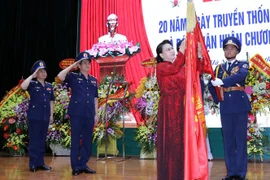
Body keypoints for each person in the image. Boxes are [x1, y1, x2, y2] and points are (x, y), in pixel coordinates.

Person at [208, 36, 251, 180]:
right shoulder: (219, 68)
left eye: (232, 48)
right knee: (228, 141)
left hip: (239, 105)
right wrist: (217, 98)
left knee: (240, 140)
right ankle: (231, 172)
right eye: (226, 48)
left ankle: (241, 173)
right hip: (226, 106)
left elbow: (241, 76)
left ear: (237, 50)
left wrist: (223, 82)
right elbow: (211, 84)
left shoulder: (243, 64)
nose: (229, 50)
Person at [57, 51, 98, 176]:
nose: (87, 65)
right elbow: (60, 76)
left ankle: (83, 164)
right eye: (84, 63)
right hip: (76, 113)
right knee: (75, 140)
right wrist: (72, 65)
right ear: (79, 66)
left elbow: (95, 98)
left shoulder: (93, 80)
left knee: (87, 140)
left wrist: (96, 114)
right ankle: (75, 166)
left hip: (89, 113)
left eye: (88, 63)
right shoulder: (73, 77)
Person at [156, 39, 186, 179]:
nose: (172, 51)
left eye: (172, 48)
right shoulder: (161, 67)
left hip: (181, 107)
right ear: (161, 55)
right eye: (167, 49)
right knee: (171, 142)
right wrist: (182, 51)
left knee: (180, 143)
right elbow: (173, 69)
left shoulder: (180, 67)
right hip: (169, 108)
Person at [20, 60, 54, 172]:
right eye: (41, 71)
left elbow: (51, 101)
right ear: (36, 73)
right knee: (34, 140)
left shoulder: (49, 86)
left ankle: (41, 163)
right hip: (35, 116)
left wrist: (51, 115)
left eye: (45, 71)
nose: (44, 73)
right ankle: (33, 164)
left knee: (42, 141)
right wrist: (32, 76)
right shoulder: (32, 84)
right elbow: (23, 87)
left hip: (45, 116)